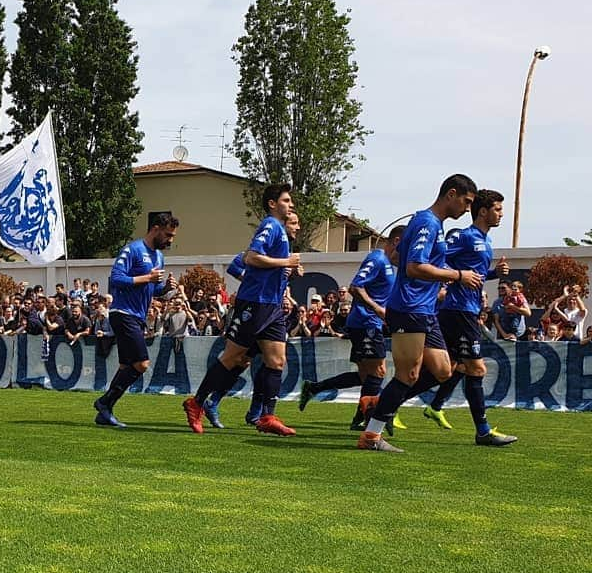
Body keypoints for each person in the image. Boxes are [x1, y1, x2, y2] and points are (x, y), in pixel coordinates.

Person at [357, 174, 481, 453]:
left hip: (425, 310)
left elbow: (400, 258)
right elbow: (413, 266)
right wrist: (457, 274)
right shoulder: (426, 221)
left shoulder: (429, 223)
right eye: (467, 201)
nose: (467, 208)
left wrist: (437, 277)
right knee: (408, 375)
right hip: (410, 308)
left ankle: (377, 403)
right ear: (451, 194)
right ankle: (371, 436)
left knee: (443, 370)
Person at [184, 186, 301, 436]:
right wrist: (285, 263)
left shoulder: (279, 231)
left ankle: (267, 416)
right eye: (286, 200)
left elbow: (269, 268)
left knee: (277, 360)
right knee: (233, 358)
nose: (291, 205)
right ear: (272, 203)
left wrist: (286, 271)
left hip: (271, 306)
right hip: (254, 302)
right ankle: (197, 403)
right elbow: (250, 258)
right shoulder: (270, 226)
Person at [419, 190, 517, 444]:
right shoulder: (464, 237)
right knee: (476, 368)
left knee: (446, 371)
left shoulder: (485, 241)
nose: (501, 214)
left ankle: (387, 405)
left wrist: (495, 273)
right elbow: (437, 260)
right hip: (458, 311)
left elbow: (476, 276)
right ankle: (483, 432)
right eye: (497, 209)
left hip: (467, 311)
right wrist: (457, 276)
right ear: (483, 211)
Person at [299, 226, 406, 431]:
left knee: (367, 376)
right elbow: (355, 287)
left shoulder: (388, 265)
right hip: (365, 324)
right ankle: (369, 419)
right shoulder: (377, 259)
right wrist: (378, 310)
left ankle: (316, 389)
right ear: (397, 241)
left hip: (367, 323)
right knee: (378, 372)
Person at [93, 212, 180, 428]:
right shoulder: (133, 250)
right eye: (168, 235)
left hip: (138, 316)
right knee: (141, 364)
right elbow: (117, 278)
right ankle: (104, 403)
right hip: (123, 314)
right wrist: (147, 278)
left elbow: (153, 289)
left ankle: (105, 411)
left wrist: (165, 289)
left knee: (126, 366)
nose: (170, 240)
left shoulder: (159, 256)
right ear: (156, 228)